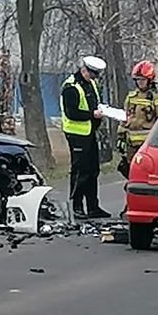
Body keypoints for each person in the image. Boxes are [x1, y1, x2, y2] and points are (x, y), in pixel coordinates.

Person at [61, 56, 110, 219]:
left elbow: (95, 102)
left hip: (90, 133)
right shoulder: (71, 87)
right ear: (84, 70)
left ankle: (93, 207)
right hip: (76, 134)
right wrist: (92, 114)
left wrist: (103, 110)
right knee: (79, 171)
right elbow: (72, 113)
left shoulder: (92, 84)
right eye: (92, 74)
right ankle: (77, 206)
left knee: (92, 170)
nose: (94, 78)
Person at [117, 60, 158, 175]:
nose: (140, 82)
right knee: (131, 173)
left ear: (150, 80)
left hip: (147, 144)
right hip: (131, 144)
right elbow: (125, 118)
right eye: (138, 80)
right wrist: (121, 137)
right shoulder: (131, 97)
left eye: (143, 80)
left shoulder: (157, 97)